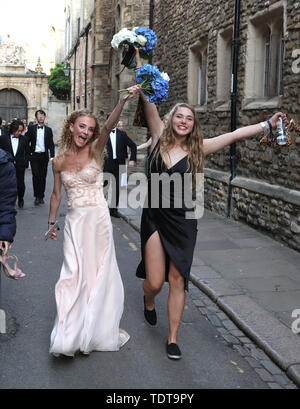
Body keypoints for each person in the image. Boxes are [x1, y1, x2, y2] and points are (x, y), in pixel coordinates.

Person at [135, 82, 287, 361]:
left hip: (183, 221)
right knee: (155, 282)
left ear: (193, 125)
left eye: (189, 118)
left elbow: (234, 135)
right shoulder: (158, 137)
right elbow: (149, 105)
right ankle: (148, 299)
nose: (184, 121)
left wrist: (267, 124)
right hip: (155, 216)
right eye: (179, 117)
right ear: (171, 120)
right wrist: (142, 67)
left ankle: (173, 337)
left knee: (177, 278)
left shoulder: (198, 149)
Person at [47, 85, 139, 357]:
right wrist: (52, 222)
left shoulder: (97, 150)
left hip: (98, 222)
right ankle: (68, 334)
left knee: (97, 275)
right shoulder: (58, 161)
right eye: (82, 127)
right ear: (71, 126)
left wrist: (121, 100)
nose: (86, 132)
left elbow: (109, 125)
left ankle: (93, 328)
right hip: (75, 223)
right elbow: (55, 195)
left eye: (90, 129)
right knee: (72, 275)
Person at [103, 117, 137, 217]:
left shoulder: (122, 134)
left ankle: (113, 210)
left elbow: (133, 146)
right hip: (107, 164)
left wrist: (132, 159)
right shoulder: (103, 134)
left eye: (114, 121)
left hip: (120, 165)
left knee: (117, 188)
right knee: (105, 186)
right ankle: (101, 208)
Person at [26, 110, 55, 205]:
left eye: (42, 115)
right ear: (36, 118)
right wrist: (28, 153)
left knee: (43, 177)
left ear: (45, 117)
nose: (41, 117)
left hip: (44, 156)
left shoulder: (49, 130)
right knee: (36, 175)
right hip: (34, 156)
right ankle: (36, 197)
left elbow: (51, 144)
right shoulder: (31, 129)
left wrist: (52, 156)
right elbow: (26, 141)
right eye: (39, 116)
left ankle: (41, 196)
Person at [0, 120, 30, 208]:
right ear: (13, 129)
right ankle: (9, 201)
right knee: (7, 184)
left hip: (20, 165)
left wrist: (25, 162)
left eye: (21, 131)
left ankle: (21, 198)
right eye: (18, 131)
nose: (19, 133)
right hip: (6, 166)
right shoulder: (3, 138)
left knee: (20, 184)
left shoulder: (24, 139)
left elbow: (28, 153)